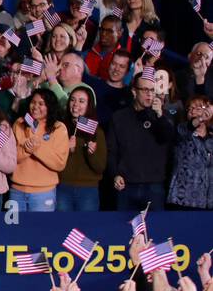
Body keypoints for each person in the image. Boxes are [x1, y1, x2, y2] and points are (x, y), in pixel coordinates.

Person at [107, 70, 174, 212]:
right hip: (126, 184)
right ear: (134, 91)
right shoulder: (119, 117)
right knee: (124, 230)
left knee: (155, 231)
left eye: (152, 90)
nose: (149, 94)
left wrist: (160, 116)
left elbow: (167, 138)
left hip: (154, 186)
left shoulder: (163, 116)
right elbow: (112, 150)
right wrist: (115, 174)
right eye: (145, 90)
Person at [9, 88, 68, 213]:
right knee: (14, 231)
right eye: (33, 102)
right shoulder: (19, 123)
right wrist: (27, 149)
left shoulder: (58, 128)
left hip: (43, 192)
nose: (35, 107)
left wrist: (37, 148)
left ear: (50, 107)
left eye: (41, 104)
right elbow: (11, 157)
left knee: (40, 231)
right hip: (17, 190)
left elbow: (59, 163)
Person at [57, 85, 107, 211]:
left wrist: (91, 153)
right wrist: (67, 150)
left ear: (89, 105)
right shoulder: (60, 128)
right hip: (63, 187)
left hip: (88, 190)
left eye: (81, 101)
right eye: (73, 100)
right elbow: (53, 160)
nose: (75, 104)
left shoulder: (96, 131)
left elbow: (100, 167)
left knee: (86, 228)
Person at [168, 94, 213, 210]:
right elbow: (187, 128)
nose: (192, 111)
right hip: (183, 199)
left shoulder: (211, 136)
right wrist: (201, 118)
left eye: (198, 108)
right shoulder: (182, 130)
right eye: (190, 108)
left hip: (208, 199)